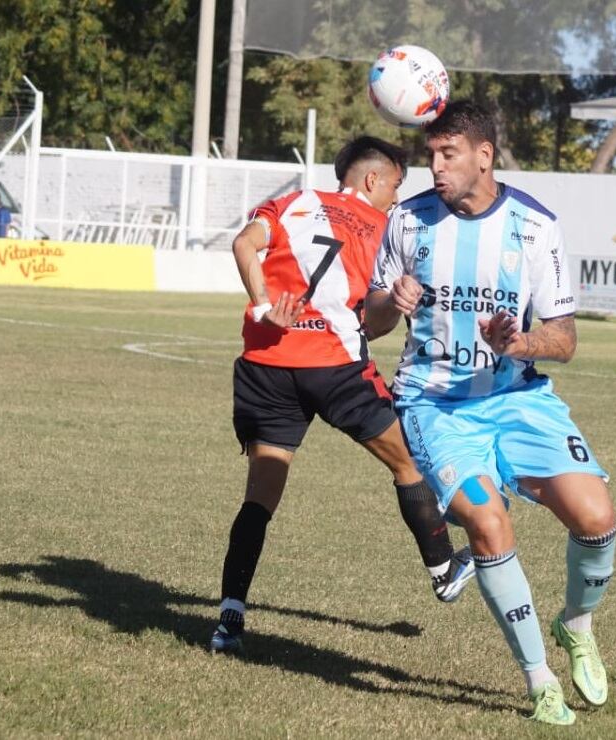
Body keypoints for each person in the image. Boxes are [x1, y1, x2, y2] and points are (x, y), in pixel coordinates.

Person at [366, 101, 616, 726]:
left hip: (518, 397)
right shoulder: (406, 221)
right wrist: (390, 303)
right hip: (435, 404)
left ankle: (575, 624)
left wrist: (518, 343)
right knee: (488, 525)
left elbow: (564, 339)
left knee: (597, 519)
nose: (435, 167)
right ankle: (540, 683)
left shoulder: (536, 227)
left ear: (484, 156)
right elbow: (368, 323)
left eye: (447, 154)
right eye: (430, 155)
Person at [210, 136, 475, 655]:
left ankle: (229, 620)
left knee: (260, 498)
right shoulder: (384, 228)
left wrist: (264, 306)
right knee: (409, 462)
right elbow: (372, 325)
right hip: (334, 367)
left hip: (267, 363)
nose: (397, 199)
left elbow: (243, 244)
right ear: (372, 180)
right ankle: (443, 568)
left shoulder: (294, 202)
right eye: (396, 186)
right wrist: (396, 306)